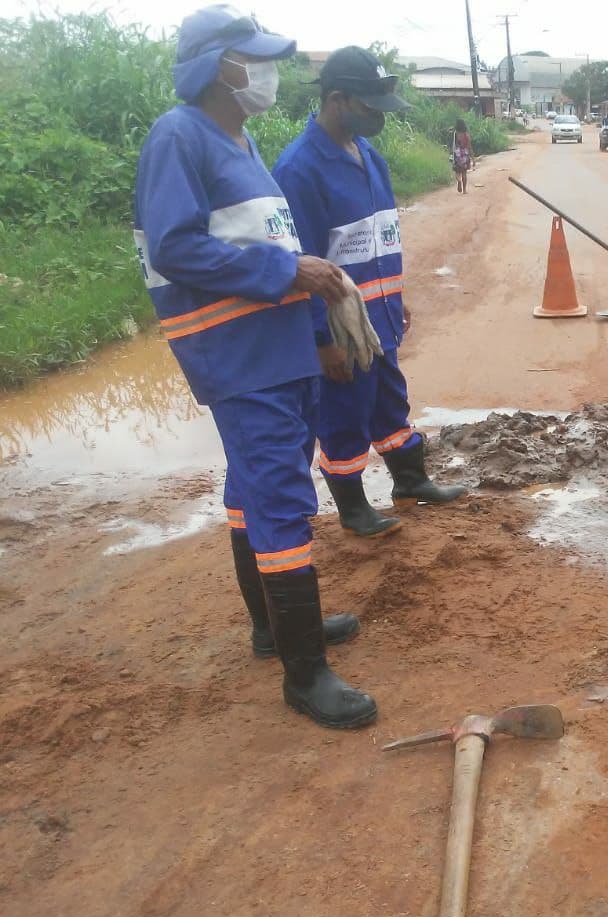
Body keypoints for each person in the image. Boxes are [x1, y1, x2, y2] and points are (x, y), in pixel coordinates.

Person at [133, 5, 378, 727]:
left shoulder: (240, 144)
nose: (267, 73)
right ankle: (306, 675)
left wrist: (308, 290)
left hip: (278, 352)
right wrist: (287, 269)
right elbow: (173, 248)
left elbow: (268, 254)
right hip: (239, 357)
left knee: (254, 492)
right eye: (255, 59)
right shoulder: (180, 137)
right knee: (279, 503)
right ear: (220, 67)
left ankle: (275, 628)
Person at [272, 48, 467, 539]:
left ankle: (410, 480)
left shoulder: (369, 156)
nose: (379, 114)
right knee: (344, 412)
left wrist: (394, 298)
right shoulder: (299, 170)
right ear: (338, 100)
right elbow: (303, 264)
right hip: (341, 326)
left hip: (378, 316)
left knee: (388, 401)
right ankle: (354, 507)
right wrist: (322, 341)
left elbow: (379, 239)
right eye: (371, 105)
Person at [452, 118, 473, 194]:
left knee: (457, 172)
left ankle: (459, 181)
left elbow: (453, 145)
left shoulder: (455, 134)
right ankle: (464, 190)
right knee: (464, 172)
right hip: (465, 154)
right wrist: (473, 159)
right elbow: (470, 147)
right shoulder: (466, 135)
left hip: (457, 154)